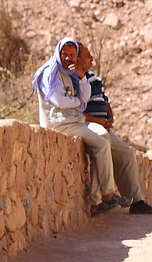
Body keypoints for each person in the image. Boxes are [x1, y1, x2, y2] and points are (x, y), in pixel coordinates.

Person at [32, 36, 131, 216]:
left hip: (74, 121)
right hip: (60, 123)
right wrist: (77, 102)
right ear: (58, 53)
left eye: (72, 55)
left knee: (102, 140)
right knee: (101, 145)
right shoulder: (50, 72)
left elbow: (85, 97)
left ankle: (97, 200)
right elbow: (59, 101)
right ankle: (107, 195)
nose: (68, 58)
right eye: (64, 54)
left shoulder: (71, 73)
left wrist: (81, 77)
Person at [79, 44, 152, 214]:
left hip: (102, 125)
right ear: (78, 59)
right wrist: (98, 120)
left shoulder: (94, 78)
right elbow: (75, 110)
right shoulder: (74, 80)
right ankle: (102, 198)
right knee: (102, 146)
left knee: (127, 153)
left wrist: (109, 117)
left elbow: (105, 101)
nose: (92, 58)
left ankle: (137, 202)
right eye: (87, 55)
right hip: (88, 125)